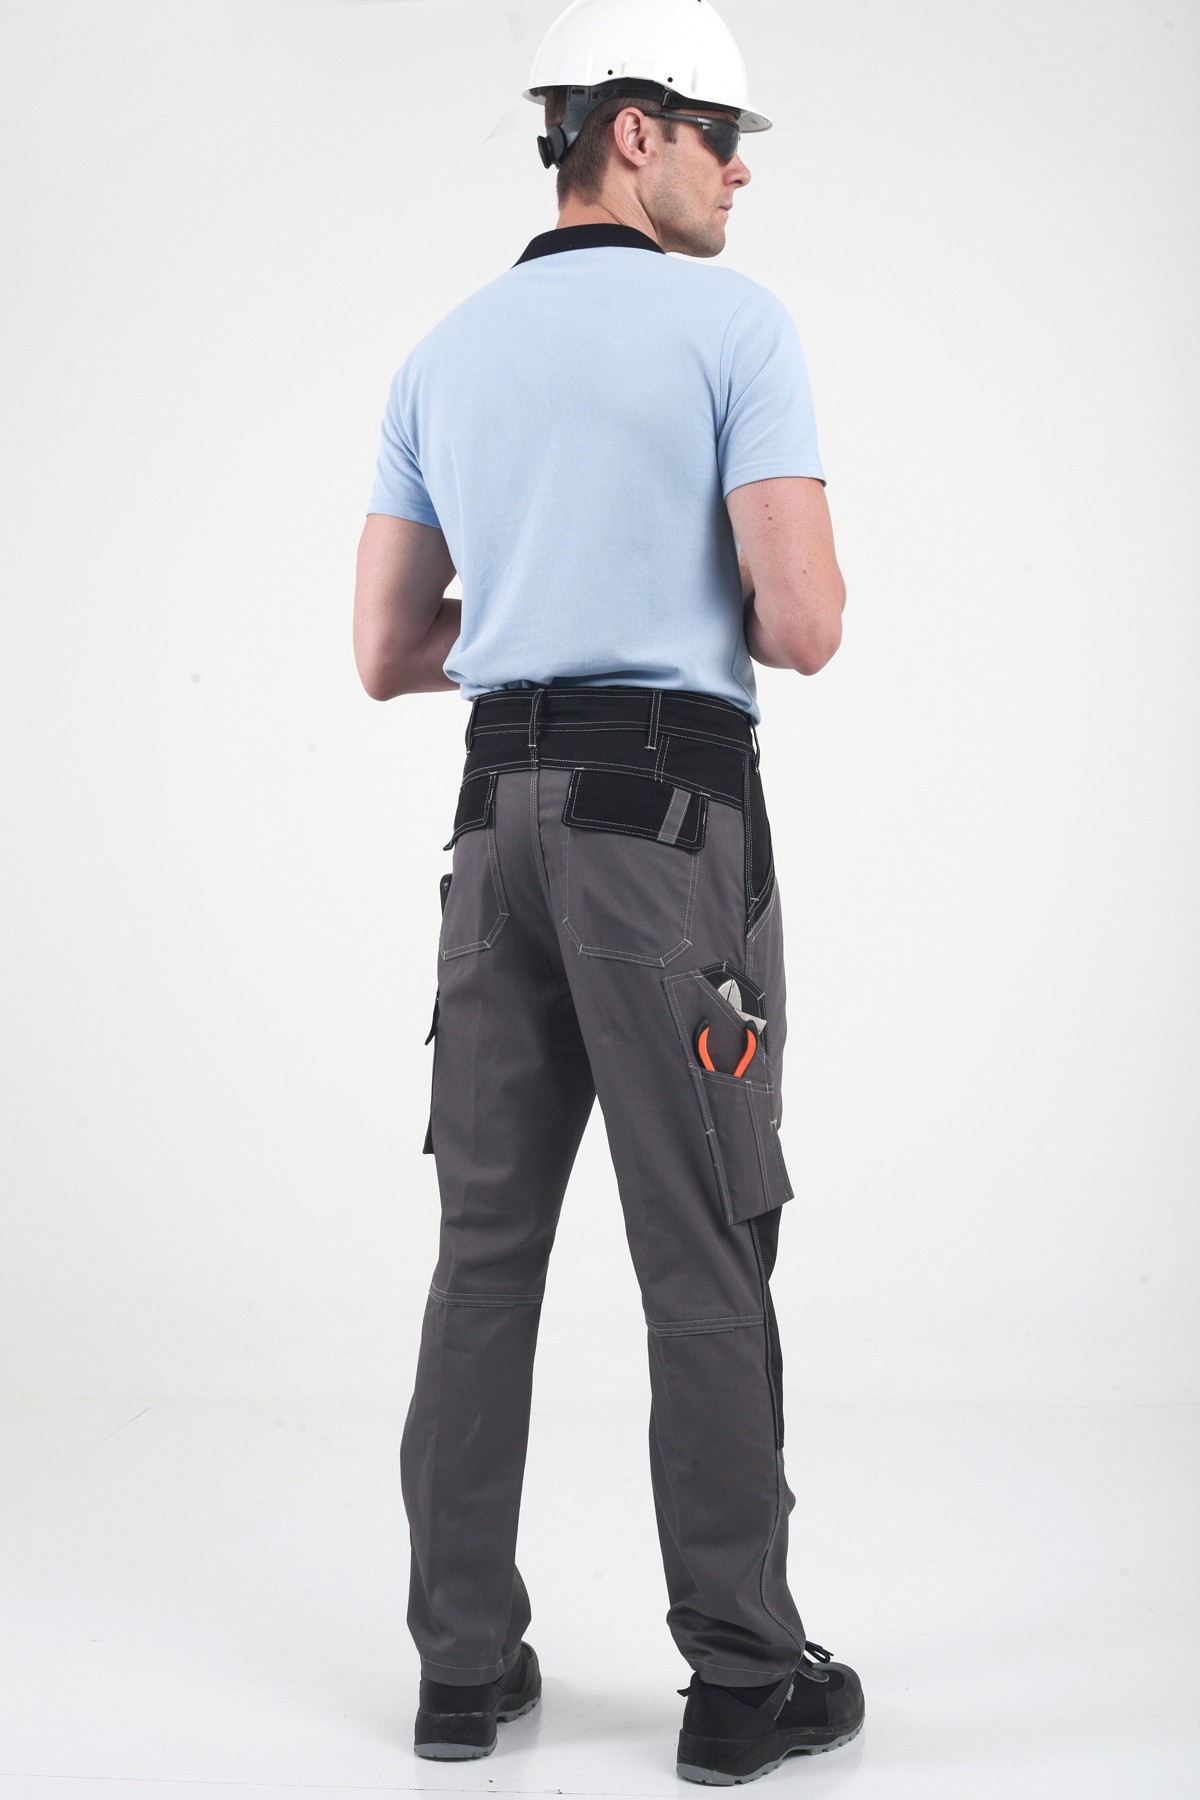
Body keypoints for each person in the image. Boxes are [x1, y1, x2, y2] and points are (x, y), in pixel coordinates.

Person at [352, 0, 862, 1783]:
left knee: (485, 1251)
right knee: (700, 1238)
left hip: (493, 827)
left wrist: (537, 603)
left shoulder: (442, 353)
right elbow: (805, 625)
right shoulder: (734, 326)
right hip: (663, 829)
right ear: (632, 130)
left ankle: (460, 1669)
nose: (740, 175)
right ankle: (743, 1677)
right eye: (725, 138)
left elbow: (384, 650)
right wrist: (674, 593)